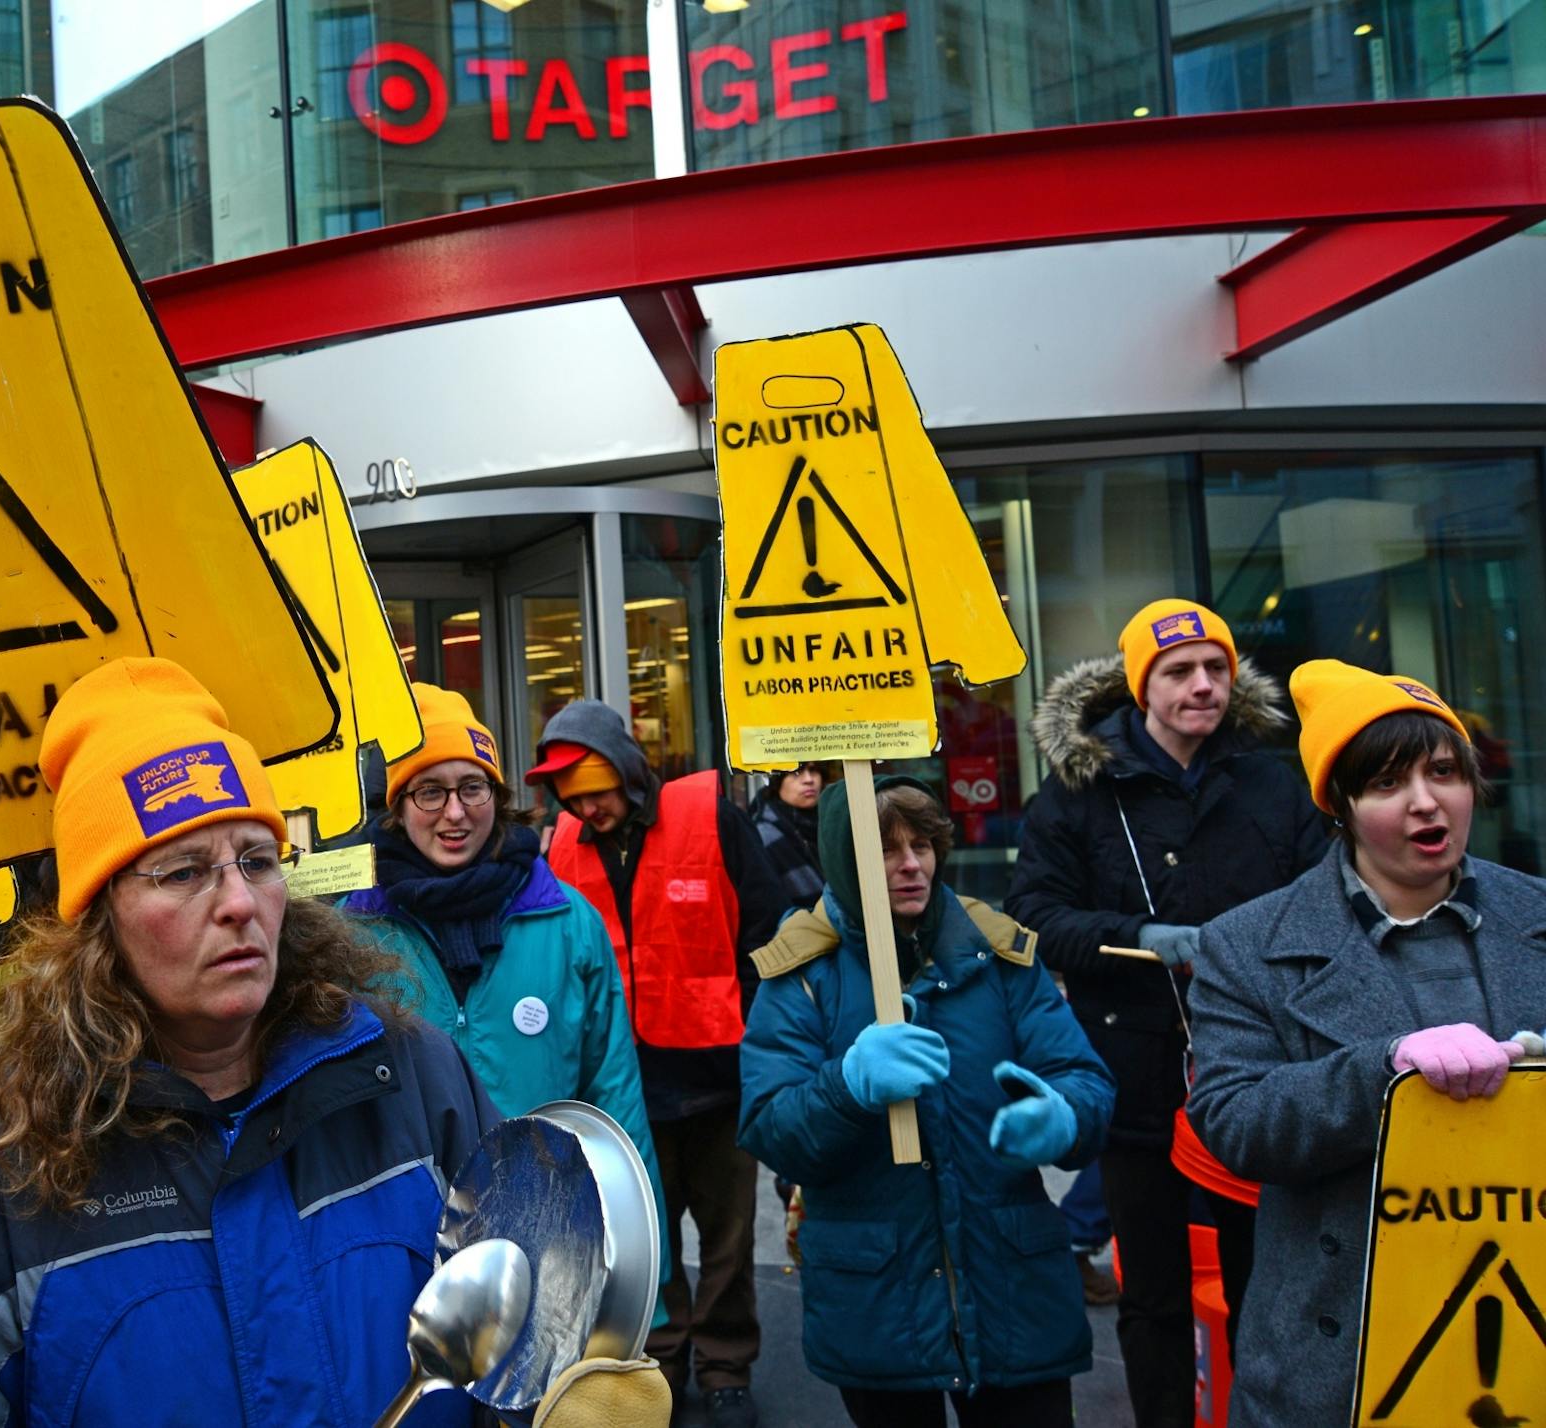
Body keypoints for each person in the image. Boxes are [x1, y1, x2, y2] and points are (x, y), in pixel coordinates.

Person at [0, 659, 517, 1426]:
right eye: (184, 871)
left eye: (257, 859)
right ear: (98, 918)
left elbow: (518, 1328)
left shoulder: (412, 1079)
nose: (239, 903)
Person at [1187, 661, 1546, 1427]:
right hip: (1339, 1357)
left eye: (1444, 772)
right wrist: (1386, 1067)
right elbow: (1235, 1123)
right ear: (1341, 806)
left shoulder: (1538, 916)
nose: (1426, 802)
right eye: (1387, 784)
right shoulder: (1246, 945)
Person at [1005, 600, 1326, 1428]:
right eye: (1180, 672)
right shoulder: (1080, 789)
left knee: (1270, 1281)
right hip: (1139, 1072)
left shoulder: (1267, 778)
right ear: (1143, 686)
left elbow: (1324, 894)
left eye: (1216, 669)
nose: (1203, 686)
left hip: (1260, 1071)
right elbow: (1035, 913)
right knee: (1151, 1292)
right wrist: (1141, 936)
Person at [741, 776, 1114, 1427]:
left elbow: (1082, 1075)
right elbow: (771, 1128)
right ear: (845, 861)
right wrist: (847, 1088)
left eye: (922, 844)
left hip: (1011, 1288)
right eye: (886, 850)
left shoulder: (996, 951)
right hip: (880, 1298)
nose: (911, 864)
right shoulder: (802, 973)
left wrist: (1063, 1117)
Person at [525, 699, 785, 1427]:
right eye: (574, 798)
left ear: (630, 775)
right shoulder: (563, 845)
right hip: (623, 1083)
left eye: (597, 792)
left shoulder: (709, 815)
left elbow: (768, 929)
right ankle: (662, 1359)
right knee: (647, 1237)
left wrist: (765, 1040)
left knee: (729, 1234)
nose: (588, 808)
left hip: (720, 1075)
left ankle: (727, 1364)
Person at [340, 682, 661, 1181]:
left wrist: (638, 1250)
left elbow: (616, 1100)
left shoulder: (569, 923)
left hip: (547, 1228)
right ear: (398, 808)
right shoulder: (352, 934)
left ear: (498, 796)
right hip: (407, 1236)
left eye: (473, 786)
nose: (455, 811)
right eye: (430, 791)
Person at [750, 762, 830, 912]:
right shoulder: (763, 835)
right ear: (777, 781)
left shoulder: (833, 821)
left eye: (814, 770)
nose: (809, 779)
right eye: (796, 772)